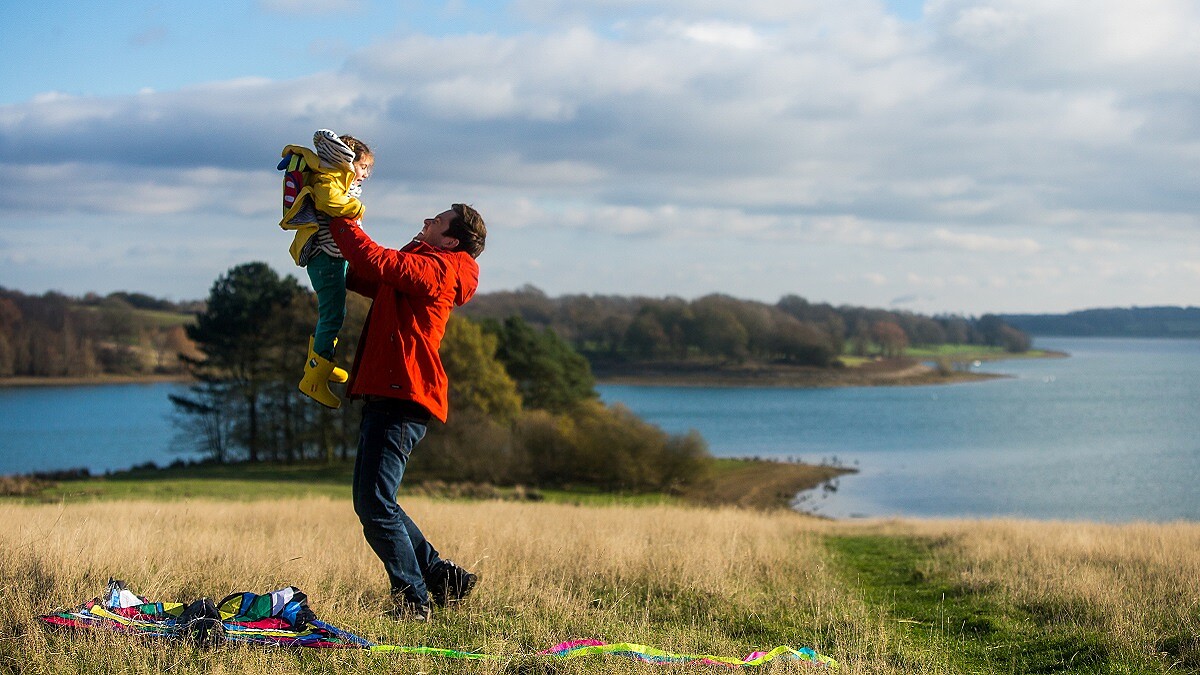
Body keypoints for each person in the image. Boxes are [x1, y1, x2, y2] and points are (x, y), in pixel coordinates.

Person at [328, 205, 486, 620]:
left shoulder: (441, 269)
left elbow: (376, 261)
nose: (427, 221)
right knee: (376, 501)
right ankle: (443, 579)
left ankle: (413, 601)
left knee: (375, 504)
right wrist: (325, 246)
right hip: (389, 395)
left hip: (403, 397)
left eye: (438, 220)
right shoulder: (423, 262)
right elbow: (362, 275)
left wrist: (340, 220)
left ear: (451, 240)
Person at [279, 129, 374, 409]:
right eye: (363, 167)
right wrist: (356, 208)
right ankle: (314, 377)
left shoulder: (338, 179)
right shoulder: (329, 178)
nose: (366, 174)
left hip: (332, 259)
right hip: (326, 259)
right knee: (332, 314)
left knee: (333, 313)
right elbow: (327, 201)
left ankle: (322, 360)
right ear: (348, 161)